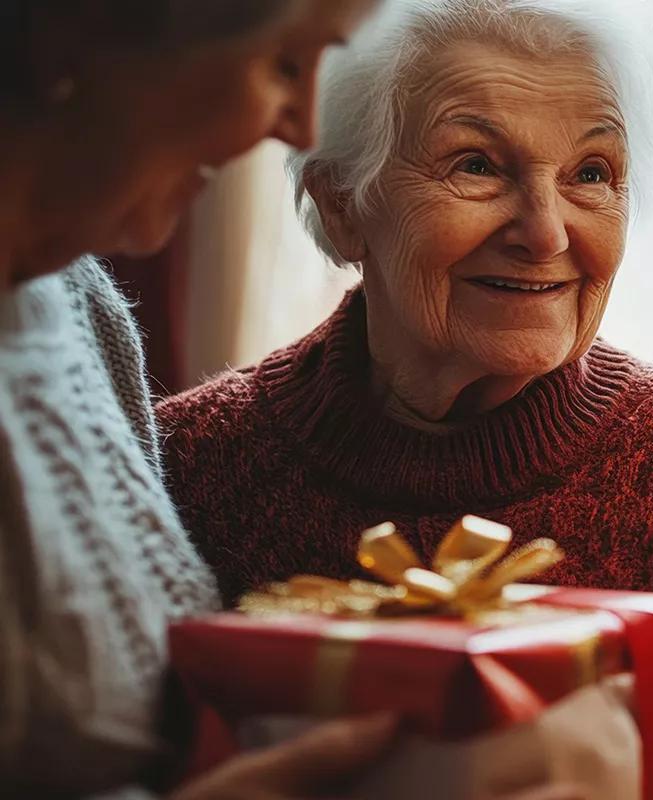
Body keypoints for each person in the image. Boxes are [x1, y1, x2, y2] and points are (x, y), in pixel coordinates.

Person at [155, 1, 653, 797]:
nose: (547, 233)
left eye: (591, 173)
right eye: (477, 165)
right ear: (343, 205)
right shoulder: (188, 462)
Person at [0, 2, 412, 797]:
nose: (300, 128)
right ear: (73, 38)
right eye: (285, 65)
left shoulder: (82, 306)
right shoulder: (220, 442)